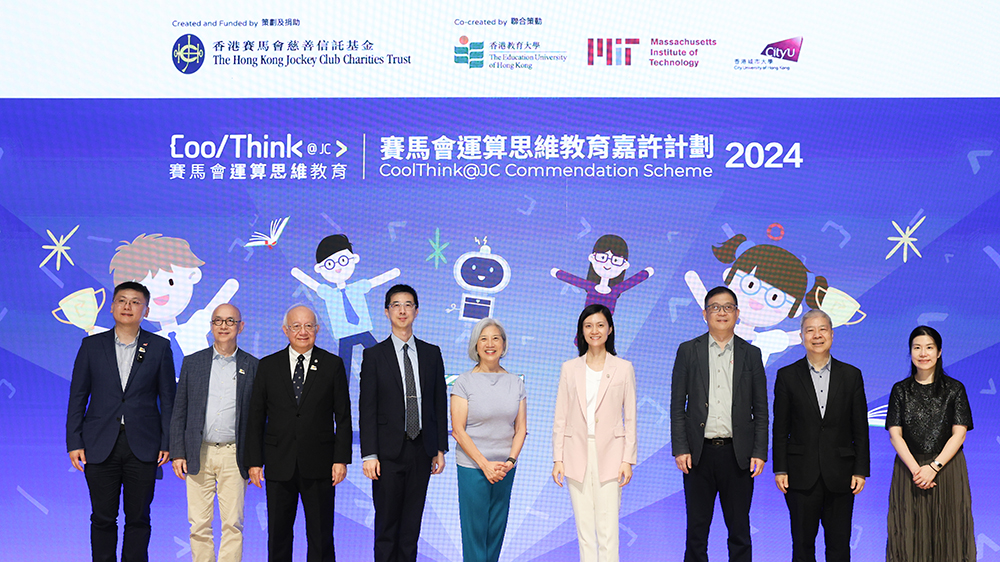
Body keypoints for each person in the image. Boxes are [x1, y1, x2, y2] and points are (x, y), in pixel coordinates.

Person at [66, 281, 176, 562]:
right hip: (99, 442)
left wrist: (168, 442)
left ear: (146, 310)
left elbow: (168, 399)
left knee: (138, 517)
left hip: (144, 444)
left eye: (135, 302)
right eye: (122, 300)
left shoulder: (159, 347)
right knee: (102, 517)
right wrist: (74, 441)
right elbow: (78, 396)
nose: (128, 306)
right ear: (112, 307)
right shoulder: (91, 345)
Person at [245, 305, 352, 562]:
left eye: (308, 326)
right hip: (278, 462)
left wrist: (341, 459)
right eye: (296, 326)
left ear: (317, 329)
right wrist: (254, 462)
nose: (302, 332)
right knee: (278, 534)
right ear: (285, 330)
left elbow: (343, 416)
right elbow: (256, 417)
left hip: (320, 464)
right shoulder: (268, 365)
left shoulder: (332, 364)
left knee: (321, 534)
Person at [670, 286, 768, 562]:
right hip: (698, 454)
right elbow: (677, 405)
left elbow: (761, 409)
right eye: (715, 307)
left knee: (739, 531)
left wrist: (759, 451)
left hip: (738, 455)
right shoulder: (688, 350)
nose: (721, 312)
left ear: (737, 313)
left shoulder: (751, 353)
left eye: (728, 307)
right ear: (705, 314)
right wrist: (681, 448)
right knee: (696, 531)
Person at [359, 284, 448, 562]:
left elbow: (439, 402)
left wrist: (440, 449)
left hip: (421, 449)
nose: (402, 310)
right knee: (387, 526)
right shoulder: (374, 355)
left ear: (416, 311)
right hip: (387, 453)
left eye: (408, 305)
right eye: (396, 305)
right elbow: (367, 408)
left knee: (411, 527)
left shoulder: (432, 353)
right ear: (386, 312)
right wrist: (369, 454)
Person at [772, 309, 869, 562]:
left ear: (832, 335)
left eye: (822, 329)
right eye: (810, 330)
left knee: (839, 546)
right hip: (800, 475)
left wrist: (860, 470)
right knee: (802, 546)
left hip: (841, 474)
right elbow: (780, 428)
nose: (817, 335)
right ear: (802, 336)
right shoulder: (787, 376)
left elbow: (860, 428)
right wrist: (780, 469)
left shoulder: (851, 375)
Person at [169, 303, 259, 562]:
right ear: (211, 326)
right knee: (198, 524)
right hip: (198, 452)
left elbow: (258, 419)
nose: (223, 326)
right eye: (218, 321)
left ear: (241, 327)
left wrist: (255, 458)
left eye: (230, 321)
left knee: (233, 524)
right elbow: (180, 410)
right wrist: (178, 452)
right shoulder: (193, 362)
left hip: (234, 453)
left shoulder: (254, 366)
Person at [552, 304, 637, 562]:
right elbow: (561, 416)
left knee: (608, 528)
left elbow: (631, 417)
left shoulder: (623, 367)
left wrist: (627, 459)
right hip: (575, 452)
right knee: (584, 529)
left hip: (612, 453)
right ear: (581, 331)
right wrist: (558, 458)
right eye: (588, 326)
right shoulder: (570, 368)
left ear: (610, 329)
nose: (594, 331)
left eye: (600, 325)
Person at [885, 325, 975, 561]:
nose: (923, 353)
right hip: (909, 471)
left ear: (939, 352)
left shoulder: (955, 389)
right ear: (910, 352)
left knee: (950, 534)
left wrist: (933, 468)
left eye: (929, 347)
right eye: (917, 348)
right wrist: (918, 471)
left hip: (947, 469)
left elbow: (959, 434)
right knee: (908, 535)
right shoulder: (900, 390)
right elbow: (895, 435)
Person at [450, 318, 527, 562]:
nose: (490, 344)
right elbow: (458, 430)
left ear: (503, 344)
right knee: (475, 533)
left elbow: (521, 429)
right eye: (483, 339)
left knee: (496, 531)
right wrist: (484, 465)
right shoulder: (464, 382)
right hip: (473, 467)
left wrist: (510, 462)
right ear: (475, 345)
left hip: (505, 468)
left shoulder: (516, 383)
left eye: (495, 338)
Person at [290, 233, 400, 373]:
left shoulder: (357, 287)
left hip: (362, 329)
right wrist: (297, 273)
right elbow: (313, 284)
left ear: (354, 259)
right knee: (344, 367)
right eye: (330, 264)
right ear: (319, 269)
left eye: (343, 260)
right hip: (344, 335)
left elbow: (375, 282)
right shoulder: (328, 293)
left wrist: (393, 273)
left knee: (380, 357)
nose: (337, 268)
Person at [551, 234, 654, 316]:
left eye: (615, 260)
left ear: (624, 265)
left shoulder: (616, 289)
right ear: (592, 258)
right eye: (602, 258)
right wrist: (557, 273)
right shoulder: (590, 286)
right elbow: (573, 279)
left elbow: (633, 281)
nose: (608, 264)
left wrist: (647, 272)